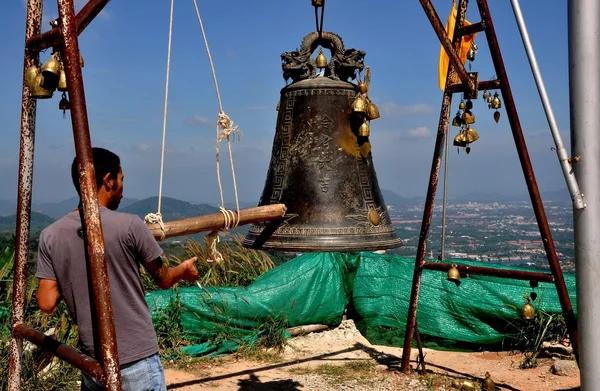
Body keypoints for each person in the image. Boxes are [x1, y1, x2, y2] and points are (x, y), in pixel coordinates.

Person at [35, 147, 199, 391]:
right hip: (136, 358)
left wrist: (70, 264)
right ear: (108, 181)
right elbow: (163, 279)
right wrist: (184, 270)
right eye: (121, 180)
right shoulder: (130, 225)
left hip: (92, 362)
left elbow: (46, 302)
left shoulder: (50, 236)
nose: (123, 188)